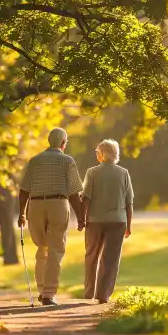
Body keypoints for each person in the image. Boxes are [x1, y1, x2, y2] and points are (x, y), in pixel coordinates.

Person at [18, 127, 85, 306]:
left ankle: (41, 290)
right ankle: (48, 294)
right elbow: (73, 193)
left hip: (36, 205)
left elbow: (24, 190)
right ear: (63, 143)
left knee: (42, 248)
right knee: (55, 250)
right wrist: (81, 217)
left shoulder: (35, 160)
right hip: (58, 204)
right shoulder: (67, 161)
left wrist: (21, 213)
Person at [81, 139, 133, 304]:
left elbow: (86, 198)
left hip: (95, 221)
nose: (96, 154)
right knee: (111, 259)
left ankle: (89, 292)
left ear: (102, 155)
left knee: (91, 255)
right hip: (118, 221)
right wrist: (129, 225)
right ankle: (103, 295)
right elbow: (129, 202)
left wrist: (82, 218)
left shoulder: (92, 172)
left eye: (97, 152)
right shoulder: (124, 173)